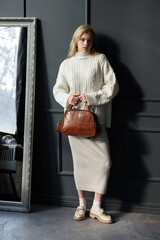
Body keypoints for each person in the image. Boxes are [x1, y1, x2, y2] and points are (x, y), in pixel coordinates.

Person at [53, 25, 119, 223]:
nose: (86, 43)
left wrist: (91, 97)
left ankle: (97, 207)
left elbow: (112, 85)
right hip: (75, 121)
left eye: (89, 40)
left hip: (96, 121)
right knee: (79, 164)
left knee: (104, 162)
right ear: (75, 41)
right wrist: (67, 98)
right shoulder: (67, 64)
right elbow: (58, 89)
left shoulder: (100, 59)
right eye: (82, 40)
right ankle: (82, 205)